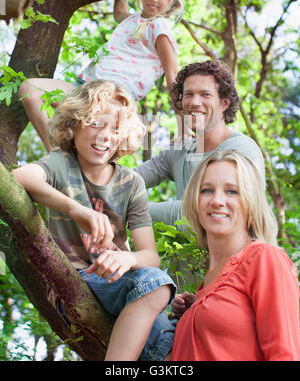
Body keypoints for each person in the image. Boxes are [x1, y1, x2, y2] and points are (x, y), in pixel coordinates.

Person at [12, 80, 177, 361]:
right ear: (73, 125)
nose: (105, 136)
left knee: (170, 344)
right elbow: (16, 179)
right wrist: (77, 210)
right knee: (158, 285)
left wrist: (128, 259)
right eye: (95, 123)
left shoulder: (131, 182)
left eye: (114, 128)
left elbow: (150, 255)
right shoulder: (62, 163)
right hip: (76, 279)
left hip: (123, 281)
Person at [18, 0, 184, 152]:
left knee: (86, 132)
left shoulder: (160, 27)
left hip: (112, 96)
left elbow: (173, 76)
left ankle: (89, 158)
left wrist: (183, 124)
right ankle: (57, 155)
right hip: (85, 88)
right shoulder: (133, 19)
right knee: (30, 90)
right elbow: (119, 13)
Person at [170, 149, 300, 361]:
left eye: (232, 191)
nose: (217, 201)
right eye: (206, 190)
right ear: (195, 199)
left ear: (250, 201)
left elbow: (284, 355)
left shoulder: (265, 259)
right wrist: (191, 312)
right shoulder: (206, 283)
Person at [135, 60, 266, 226]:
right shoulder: (180, 151)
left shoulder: (242, 150)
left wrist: (134, 208)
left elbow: (202, 212)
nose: (195, 102)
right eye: (189, 94)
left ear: (225, 103)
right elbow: (127, 180)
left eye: (206, 95)